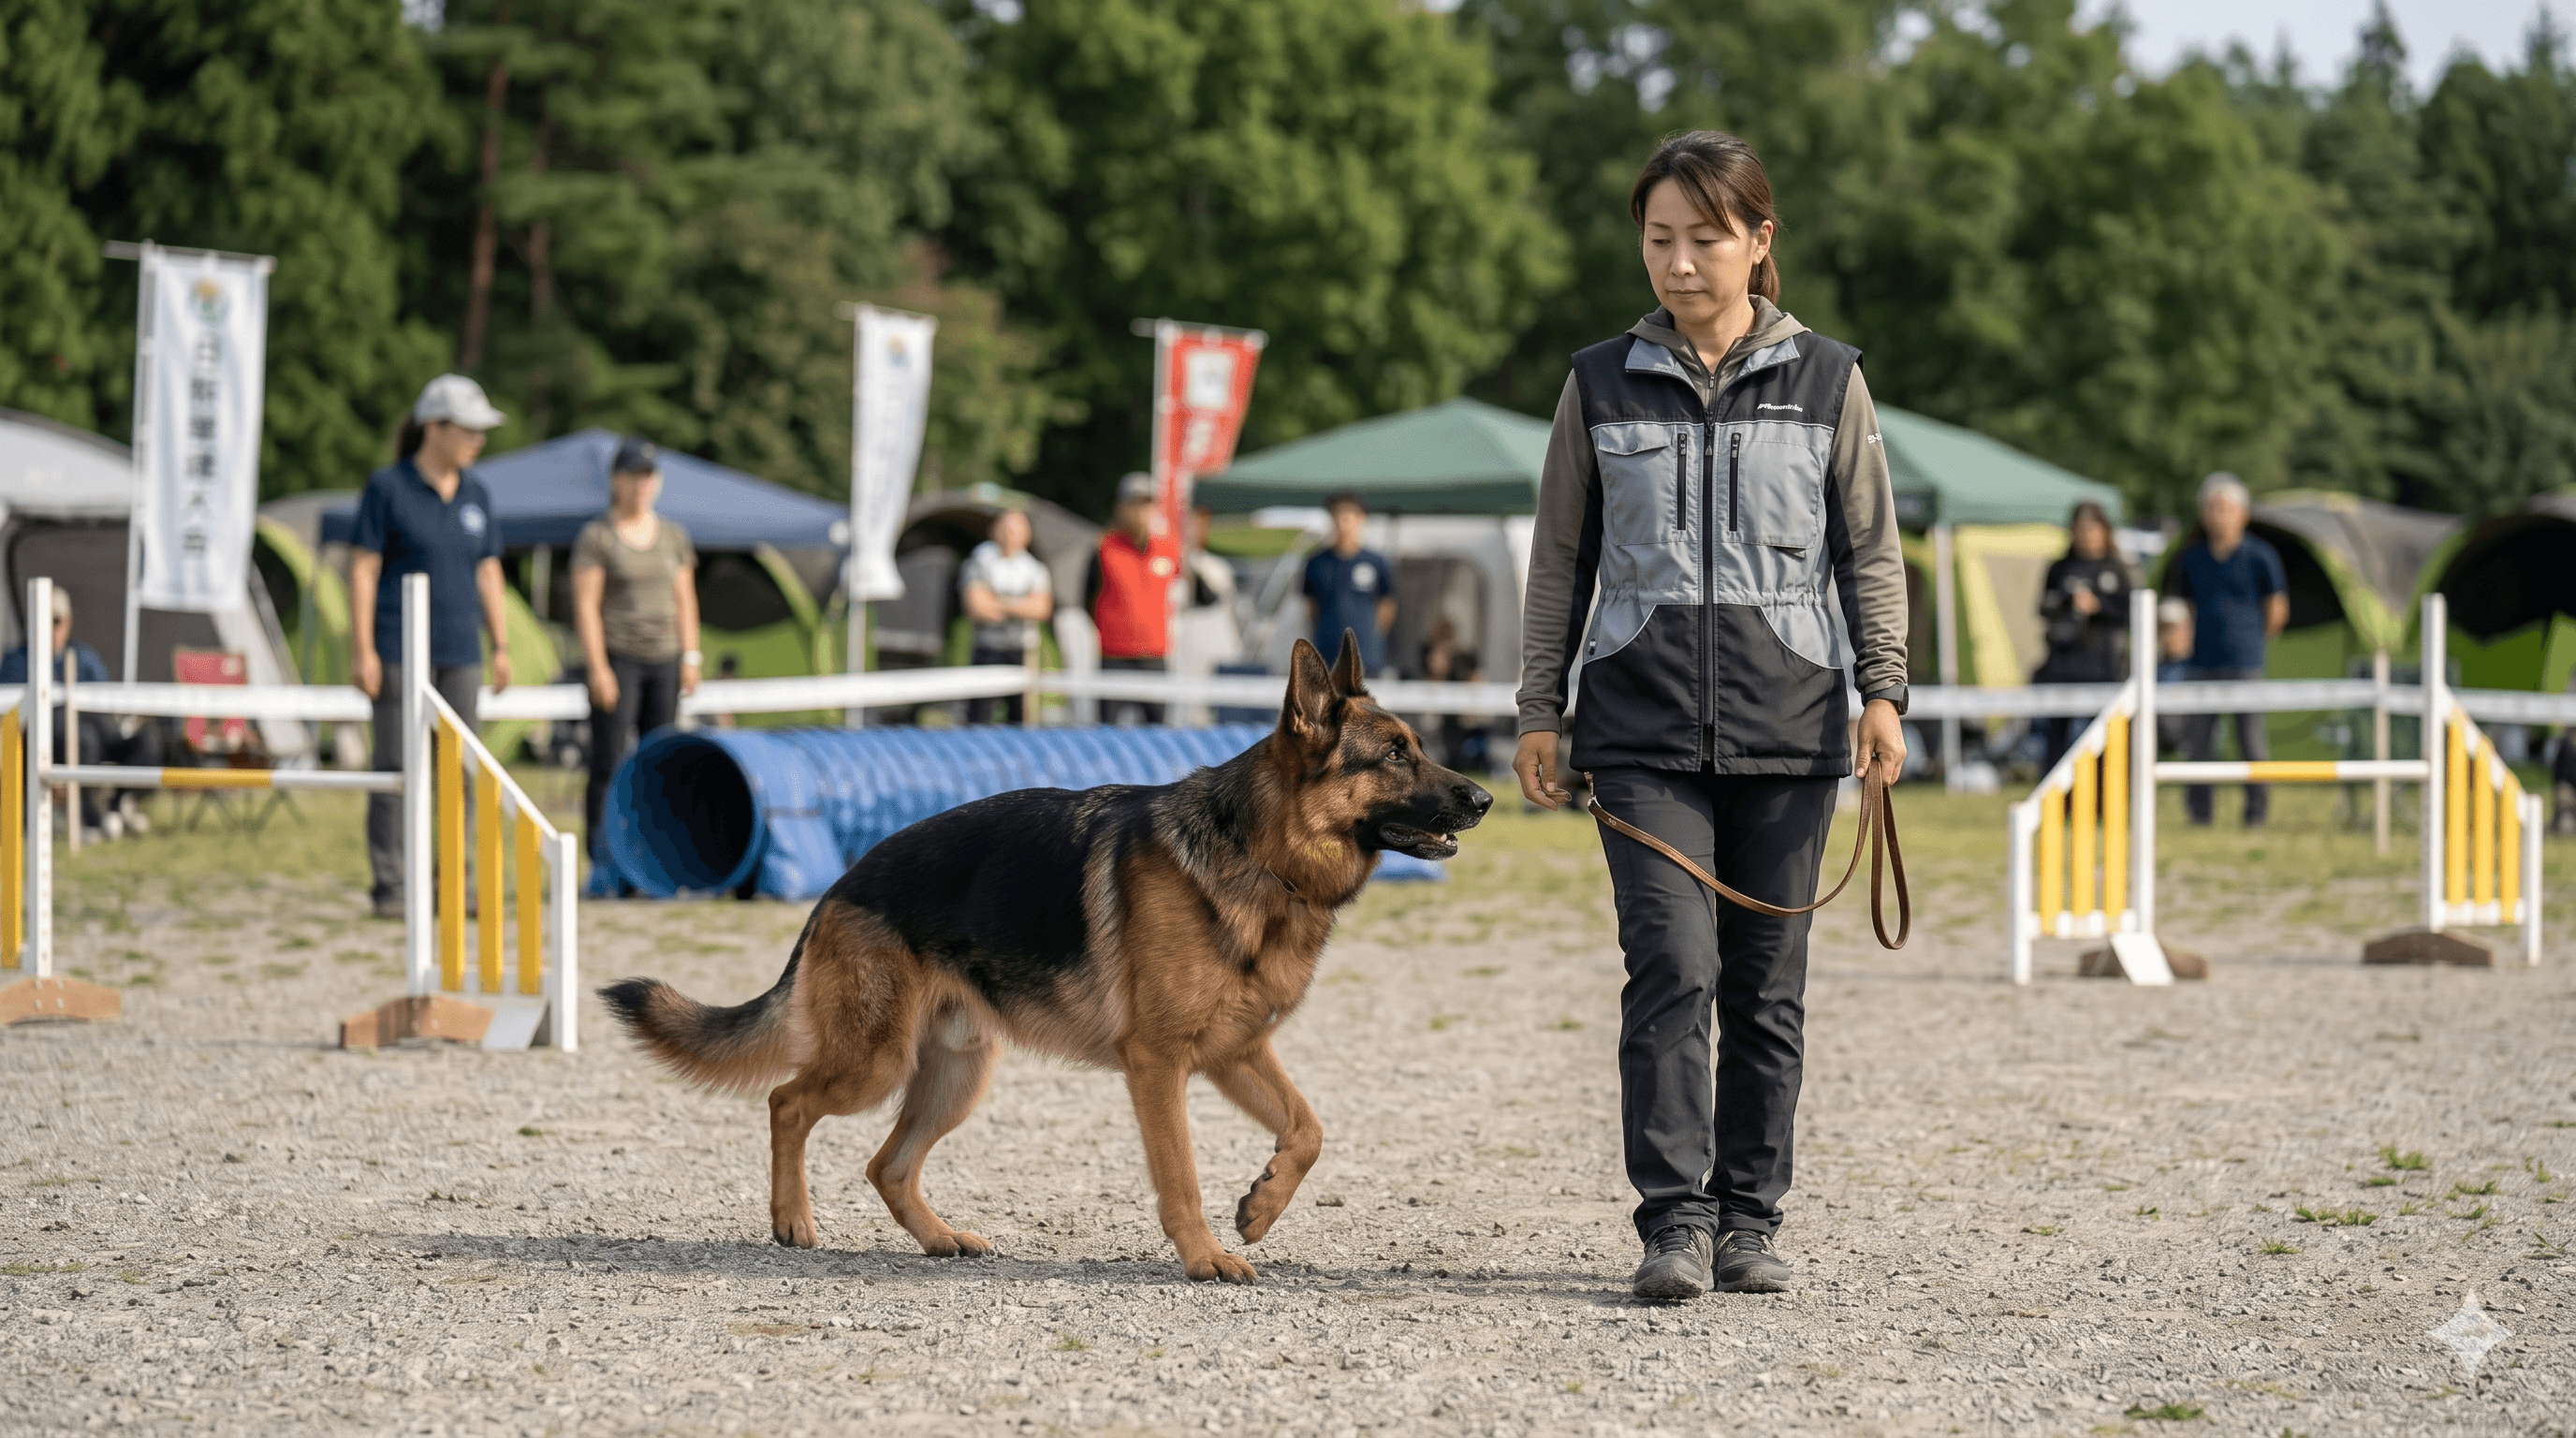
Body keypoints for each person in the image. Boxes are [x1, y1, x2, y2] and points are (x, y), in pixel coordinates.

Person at [1511, 131, 1909, 1303]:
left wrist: (1883, 690)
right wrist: (1540, 707)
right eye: (1658, 239)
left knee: (1767, 987)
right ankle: (1673, 1223)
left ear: (1758, 240)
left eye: (1703, 239)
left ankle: (1748, 1219)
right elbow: (1559, 559)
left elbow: (1869, 552)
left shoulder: (1828, 380)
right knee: (1671, 968)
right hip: (1636, 733)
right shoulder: (1596, 382)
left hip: (1792, 725)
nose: (1679, 263)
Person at [351, 374, 514, 918]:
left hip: (461, 651)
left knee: (459, 773)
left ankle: (454, 884)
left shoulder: (477, 494)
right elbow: (363, 569)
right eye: (469, 429)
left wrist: (502, 645)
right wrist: (364, 649)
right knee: (397, 767)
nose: (478, 440)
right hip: (398, 650)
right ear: (434, 427)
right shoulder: (387, 488)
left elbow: (488, 572)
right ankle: (392, 886)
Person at [571, 436, 700, 863]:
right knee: (608, 758)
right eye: (633, 476)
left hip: (665, 657)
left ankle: (654, 856)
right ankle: (602, 857)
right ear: (616, 481)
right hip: (619, 655)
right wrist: (597, 668)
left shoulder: (674, 536)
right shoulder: (597, 536)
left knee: (660, 760)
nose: (642, 485)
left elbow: (685, 600)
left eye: (648, 476)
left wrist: (691, 656)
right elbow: (586, 605)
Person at [2167, 472, 2288, 828]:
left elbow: (2277, 608)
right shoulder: (2191, 558)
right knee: (2199, 743)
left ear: (2243, 515)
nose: (2219, 516)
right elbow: (2183, 607)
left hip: (2245, 662)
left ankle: (2256, 814)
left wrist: (2255, 640)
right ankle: (2199, 814)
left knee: (2251, 742)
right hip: (2200, 662)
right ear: (2203, 514)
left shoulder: (2261, 556)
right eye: (2213, 508)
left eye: (2226, 508)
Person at [0, 588, 161, 839]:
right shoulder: (16, 662)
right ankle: (89, 819)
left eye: (55, 621)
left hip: (100, 734)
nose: (49, 628)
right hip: (48, 742)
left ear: (67, 622)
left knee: (147, 741)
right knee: (84, 739)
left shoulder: (85, 657)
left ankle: (118, 805)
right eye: (42, 620)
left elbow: (108, 702)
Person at [2032, 500, 2133, 770]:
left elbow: (2130, 612)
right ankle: (2053, 791)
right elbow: (2043, 608)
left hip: (2104, 666)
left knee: (2104, 739)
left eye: (2093, 528)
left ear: (2105, 531)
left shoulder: (2117, 568)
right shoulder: (2060, 568)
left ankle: (2105, 792)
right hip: (2063, 664)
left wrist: (2098, 606)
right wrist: (2069, 602)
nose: (2088, 535)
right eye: (2081, 528)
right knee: (2056, 738)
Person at [1084, 473, 1182, 725]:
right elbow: (1087, 596)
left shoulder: (1169, 548)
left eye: (1146, 504)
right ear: (1120, 508)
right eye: (1134, 504)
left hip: (1155, 654)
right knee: (1108, 729)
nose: (1140, 512)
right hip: (1115, 655)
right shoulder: (1105, 547)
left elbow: (1195, 592)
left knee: (1157, 730)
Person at [958, 507, 1051, 725]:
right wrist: (1021, 604)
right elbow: (977, 607)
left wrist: (997, 601)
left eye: (1016, 530)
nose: (1010, 536)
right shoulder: (980, 561)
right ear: (994, 531)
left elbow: (1040, 609)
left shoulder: (1034, 568)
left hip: (1023, 651)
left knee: (1020, 718)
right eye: (1006, 530)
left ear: (1027, 534)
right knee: (979, 716)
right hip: (987, 648)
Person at [1302, 493, 1398, 678]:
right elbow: (1310, 607)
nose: (1342, 522)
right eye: (1337, 515)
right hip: (1326, 654)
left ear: (1360, 519)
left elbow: (1387, 605)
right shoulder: (1317, 562)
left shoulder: (1376, 562)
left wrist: (1370, 635)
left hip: (1366, 656)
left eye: (1347, 516)